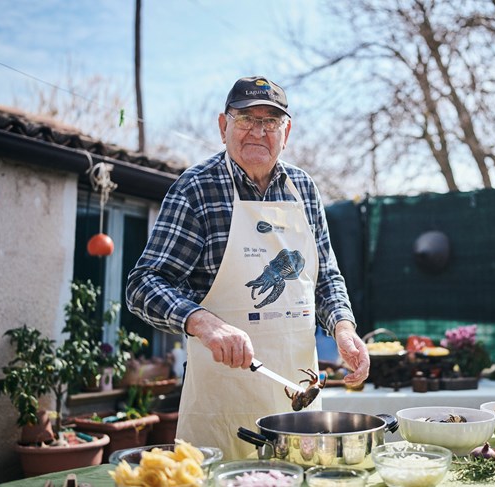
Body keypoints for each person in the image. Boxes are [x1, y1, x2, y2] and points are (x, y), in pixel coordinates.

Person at [126, 75, 369, 460]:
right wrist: (204, 322)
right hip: (221, 412)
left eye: (270, 122)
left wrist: (343, 327)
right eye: (246, 120)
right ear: (224, 126)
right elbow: (143, 285)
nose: (259, 131)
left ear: (285, 133)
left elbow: (325, 278)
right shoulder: (196, 189)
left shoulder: (304, 189)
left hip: (298, 409)